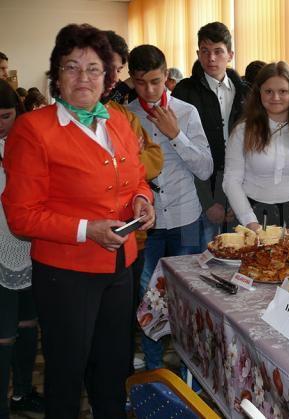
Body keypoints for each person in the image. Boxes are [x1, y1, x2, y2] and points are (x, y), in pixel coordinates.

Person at [1, 24, 155, 419]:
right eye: (71, 67)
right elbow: (21, 215)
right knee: (67, 373)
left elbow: (137, 177)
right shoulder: (33, 129)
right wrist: (89, 230)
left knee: (113, 368)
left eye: (92, 68)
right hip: (65, 274)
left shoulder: (117, 121)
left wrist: (141, 199)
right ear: (56, 76)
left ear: (107, 78)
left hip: (121, 267)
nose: (82, 77)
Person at [127, 44, 212, 369]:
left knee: (188, 298)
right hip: (145, 225)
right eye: (140, 82)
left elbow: (205, 168)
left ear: (166, 76)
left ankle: (193, 370)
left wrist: (176, 134)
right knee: (148, 300)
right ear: (131, 80)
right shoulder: (124, 117)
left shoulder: (187, 112)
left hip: (185, 218)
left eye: (155, 81)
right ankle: (153, 370)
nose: (149, 90)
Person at [102, 30, 164, 372]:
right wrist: (122, 166)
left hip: (130, 236)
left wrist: (127, 167)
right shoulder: (54, 122)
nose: (108, 77)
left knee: (126, 317)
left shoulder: (122, 116)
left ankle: (123, 378)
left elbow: (152, 162)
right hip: (85, 244)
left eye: (115, 69)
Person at [223, 61, 289, 235]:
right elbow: (231, 181)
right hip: (250, 217)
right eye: (268, 91)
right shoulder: (242, 131)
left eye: (283, 91)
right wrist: (251, 224)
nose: (275, 97)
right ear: (259, 93)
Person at [172, 21, 250, 246]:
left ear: (230, 55)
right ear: (198, 53)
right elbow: (183, 149)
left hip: (240, 182)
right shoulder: (184, 91)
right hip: (200, 185)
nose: (211, 58)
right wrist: (207, 201)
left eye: (218, 51)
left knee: (240, 254)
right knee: (206, 256)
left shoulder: (245, 91)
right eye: (205, 52)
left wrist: (241, 197)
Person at [0, 80, 44, 419]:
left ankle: (24, 393)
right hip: (0, 246)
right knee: (3, 335)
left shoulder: (29, 141)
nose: (1, 124)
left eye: (6, 116)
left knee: (29, 325)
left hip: (30, 246)